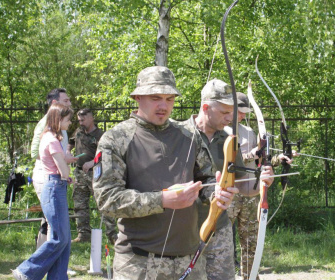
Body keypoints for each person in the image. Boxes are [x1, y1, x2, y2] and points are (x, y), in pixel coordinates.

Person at [92, 66, 238, 280]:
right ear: (137, 97)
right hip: (138, 263)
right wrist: (162, 200)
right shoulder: (115, 139)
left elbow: (205, 180)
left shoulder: (189, 136)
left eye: (169, 99)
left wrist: (217, 194)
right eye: (155, 97)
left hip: (189, 259)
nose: (163, 106)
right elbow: (107, 200)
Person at [181, 80, 274, 280]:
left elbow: (242, 184)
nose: (230, 118)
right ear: (205, 108)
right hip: (184, 227)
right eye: (224, 112)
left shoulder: (229, 140)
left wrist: (262, 182)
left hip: (219, 226)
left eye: (232, 112)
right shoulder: (179, 135)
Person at [225, 92, 292, 280]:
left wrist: (280, 158)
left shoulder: (249, 132)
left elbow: (261, 162)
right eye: (240, 112)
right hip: (231, 194)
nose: (243, 116)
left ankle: (250, 276)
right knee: (221, 242)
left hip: (251, 194)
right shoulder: (223, 131)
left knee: (250, 244)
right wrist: (250, 155)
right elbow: (225, 162)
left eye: (246, 112)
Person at [13, 104, 74, 280]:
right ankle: (26, 271)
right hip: (54, 188)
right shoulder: (53, 141)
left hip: (56, 186)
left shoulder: (49, 137)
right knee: (59, 239)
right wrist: (67, 172)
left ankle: (57, 277)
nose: (70, 123)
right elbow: (64, 171)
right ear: (58, 119)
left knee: (64, 239)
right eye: (68, 119)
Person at [30, 88, 77, 248]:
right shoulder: (47, 126)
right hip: (47, 178)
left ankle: (42, 257)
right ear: (55, 103)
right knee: (54, 222)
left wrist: (64, 157)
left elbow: (57, 152)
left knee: (50, 219)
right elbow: (35, 152)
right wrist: (60, 159)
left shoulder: (58, 128)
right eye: (66, 101)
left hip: (56, 177)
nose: (70, 104)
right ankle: (45, 261)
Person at [68, 108, 117, 244]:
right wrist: (67, 151)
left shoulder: (101, 135)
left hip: (96, 174)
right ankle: (83, 234)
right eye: (79, 120)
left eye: (83, 120)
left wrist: (92, 162)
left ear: (91, 118)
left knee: (103, 204)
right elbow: (71, 143)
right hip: (79, 173)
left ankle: (112, 235)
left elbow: (106, 154)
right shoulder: (78, 132)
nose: (81, 122)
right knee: (80, 204)